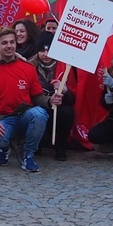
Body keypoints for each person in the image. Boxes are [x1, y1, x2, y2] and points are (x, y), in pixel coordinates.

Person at [0, 27, 61, 173]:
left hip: (24, 116)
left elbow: (37, 96)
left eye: (12, 42)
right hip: (1, 118)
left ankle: (28, 154)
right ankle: (4, 148)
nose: (9, 46)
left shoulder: (28, 67)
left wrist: (50, 101)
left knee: (39, 114)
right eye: (4, 43)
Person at [29, 31, 75, 161]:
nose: (46, 54)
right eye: (42, 50)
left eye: (49, 50)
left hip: (59, 109)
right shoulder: (29, 66)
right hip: (38, 105)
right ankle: (36, 143)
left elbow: (73, 99)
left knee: (67, 112)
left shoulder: (66, 67)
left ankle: (61, 146)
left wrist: (65, 90)